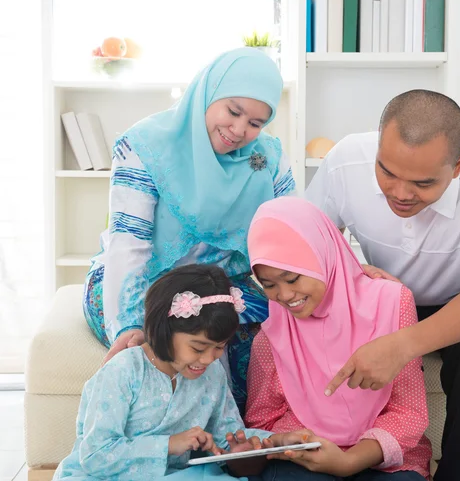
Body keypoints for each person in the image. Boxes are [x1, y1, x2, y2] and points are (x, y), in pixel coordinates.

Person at [305, 89, 460, 481]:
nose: (400, 193)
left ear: (458, 164)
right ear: (378, 144)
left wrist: (401, 346)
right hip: (392, 300)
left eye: (422, 183)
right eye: (387, 172)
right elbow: (307, 245)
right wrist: (356, 272)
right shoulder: (345, 159)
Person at [82, 47, 296, 413]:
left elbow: (291, 233)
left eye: (257, 123)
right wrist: (129, 324)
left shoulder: (269, 158)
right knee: (172, 337)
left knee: (264, 336)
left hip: (223, 287)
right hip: (145, 281)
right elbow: (127, 242)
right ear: (207, 93)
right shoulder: (146, 146)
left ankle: (240, 442)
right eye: (233, 111)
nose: (240, 130)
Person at [55, 264, 309, 480]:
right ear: (163, 331)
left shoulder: (212, 374)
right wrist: (169, 445)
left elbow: (228, 435)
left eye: (219, 347)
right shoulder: (123, 372)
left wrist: (274, 442)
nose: (209, 358)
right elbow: (94, 455)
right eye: (198, 347)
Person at [244, 197, 431, 481]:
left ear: (323, 257)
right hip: (306, 463)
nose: (283, 295)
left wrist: (348, 461)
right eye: (269, 285)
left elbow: (409, 412)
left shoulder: (392, 303)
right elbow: (261, 422)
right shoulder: (272, 335)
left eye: (292, 279)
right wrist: (292, 442)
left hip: (381, 460)